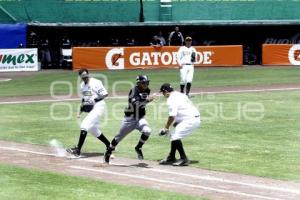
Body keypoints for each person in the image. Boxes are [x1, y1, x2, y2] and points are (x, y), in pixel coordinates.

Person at [104, 75, 155, 164]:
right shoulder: (134, 91)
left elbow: (143, 103)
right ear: (138, 83)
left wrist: (147, 101)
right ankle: (108, 152)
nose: (146, 84)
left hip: (140, 119)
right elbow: (135, 104)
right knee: (118, 138)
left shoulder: (147, 90)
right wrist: (148, 100)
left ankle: (138, 147)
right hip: (129, 119)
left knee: (147, 131)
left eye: (147, 82)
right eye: (144, 83)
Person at [66, 69, 111, 157]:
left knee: (84, 125)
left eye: (86, 77)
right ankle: (109, 145)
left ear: (88, 75)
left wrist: (95, 99)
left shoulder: (96, 82)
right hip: (92, 108)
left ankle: (78, 149)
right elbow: (84, 99)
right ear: (81, 77)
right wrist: (81, 109)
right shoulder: (82, 85)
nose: (85, 78)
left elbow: (105, 94)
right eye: (83, 78)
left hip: (99, 106)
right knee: (93, 129)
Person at [158, 83, 200, 166]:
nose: (163, 95)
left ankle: (184, 159)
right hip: (192, 118)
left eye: (162, 93)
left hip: (190, 120)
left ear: (166, 91)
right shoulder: (180, 94)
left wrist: (166, 128)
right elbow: (184, 108)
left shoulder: (171, 99)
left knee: (175, 136)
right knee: (174, 136)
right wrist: (178, 122)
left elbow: (172, 116)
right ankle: (171, 157)